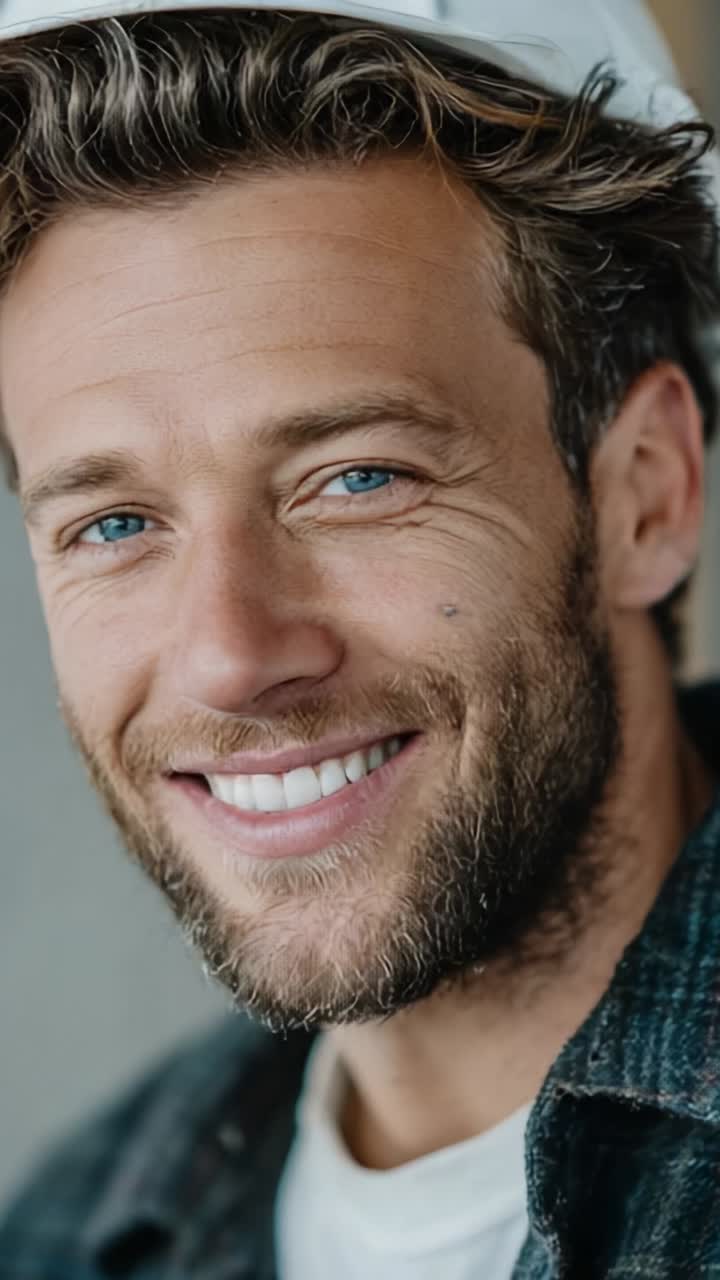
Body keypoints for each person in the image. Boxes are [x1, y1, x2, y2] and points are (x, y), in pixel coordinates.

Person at [0, 0, 719, 1275]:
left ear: (644, 492)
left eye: (358, 478)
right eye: (115, 523)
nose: (230, 653)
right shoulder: (62, 1231)